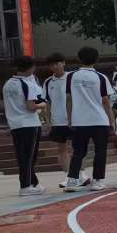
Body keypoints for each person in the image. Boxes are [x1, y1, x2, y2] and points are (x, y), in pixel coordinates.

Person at [63, 46, 114, 192]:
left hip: (79, 120)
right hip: (99, 120)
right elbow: (105, 100)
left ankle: (72, 181)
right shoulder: (101, 77)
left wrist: (70, 118)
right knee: (100, 151)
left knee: (78, 151)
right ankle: (97, 181)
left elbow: (69, 99)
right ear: (97, 60)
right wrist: (112, 121)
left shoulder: (71, 76)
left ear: (79, 59)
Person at [2, 55, 45, 196]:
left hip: (15, 124)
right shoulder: (27, 85)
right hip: (29, 123)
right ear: (30, 68)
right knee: (29, 156)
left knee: (23, 155)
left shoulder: (8, 84)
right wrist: (45, 104)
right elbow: (31, 106)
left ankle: (34, 183)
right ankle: (25, 186)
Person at [42, 53, 74, 182]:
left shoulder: (72, 78)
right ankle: (67, 175)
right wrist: (48, 121)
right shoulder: (48, 82)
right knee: (62, 148)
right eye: (51, 65)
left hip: (74, 120)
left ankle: (79, 174)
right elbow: (47, 103)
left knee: (76, 148)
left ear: (63, 63)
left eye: (57, 63)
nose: (54, 67)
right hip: (58, 121)